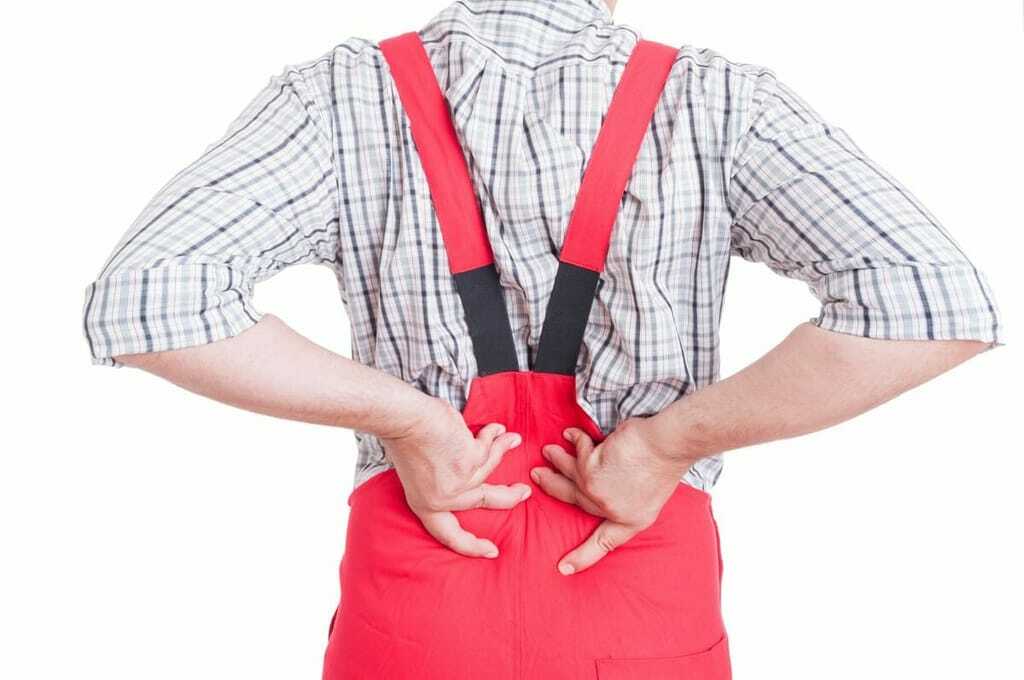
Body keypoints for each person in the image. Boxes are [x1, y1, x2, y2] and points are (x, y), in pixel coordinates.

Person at [82, 1, 1002, 677]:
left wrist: (410, 421)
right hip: (640, 601)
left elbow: (148, 297)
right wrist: (665, 443)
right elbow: (931, 302)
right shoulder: (720, 102)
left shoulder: (340, 98)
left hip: (419, 602)